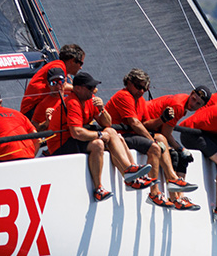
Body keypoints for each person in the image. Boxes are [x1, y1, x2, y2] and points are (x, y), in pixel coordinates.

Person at [46, 71, 150, 201]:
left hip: (73, 138)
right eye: (90, 87)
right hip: (60, 144)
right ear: (77, 88)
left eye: (93, 87)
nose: (94, 90)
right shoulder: (73, 102)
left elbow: (107, 123)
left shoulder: (90, 99)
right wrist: (100, 135)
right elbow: (76, 132)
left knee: (113, 133)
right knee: (98, 144)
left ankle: (130, 172)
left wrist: (102, 109)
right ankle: (99, 187)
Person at [105, 69, 199, 211]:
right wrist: (153, 140)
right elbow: (135, 124)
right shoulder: (124, 96)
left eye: (145, 88)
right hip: (119, 135)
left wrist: (162, 119)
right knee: (155, 147)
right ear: (129, 83)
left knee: (161, 138)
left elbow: (145, 124)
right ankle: (154, 194)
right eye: (138, 87)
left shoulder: (140, 100)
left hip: (132, 133)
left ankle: (172, 181)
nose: (142, 91)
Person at [21, 44, 84, 120]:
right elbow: (59, 85)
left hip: (35, 107)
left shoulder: (58, 66)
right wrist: (83, 89)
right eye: (81, 63)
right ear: (72, 61)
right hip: (31, 110)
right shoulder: (57, 67)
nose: (81, 67)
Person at [31, 66, 67, 131]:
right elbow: (34, 129)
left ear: (65, 81)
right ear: (48, 84)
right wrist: (47, 122)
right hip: (54, 139)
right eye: (53, 83)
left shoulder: (73, 97)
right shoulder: (43, 104)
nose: (58, 86)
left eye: (60, 82)